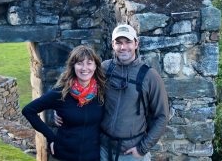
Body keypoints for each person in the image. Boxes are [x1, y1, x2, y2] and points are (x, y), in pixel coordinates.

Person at [56, 24, 169, 161]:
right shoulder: (105, 68)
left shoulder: (150, 76)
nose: (123, 47)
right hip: (103, 149)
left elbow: (162, 116)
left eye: (128, 42)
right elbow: (76, 85)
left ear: (136, 43)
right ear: (112, 45)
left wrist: (142, 149)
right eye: (118, 42)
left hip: (131, 153)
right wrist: (60, 109)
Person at [22, 45, 106, 161]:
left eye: (89, 63)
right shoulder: (61, 93)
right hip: (63, 156)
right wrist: (51, 137)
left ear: (95, 66)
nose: (84, 68)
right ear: (73, 66)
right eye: (80, 63)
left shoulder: (101, 92)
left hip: (92, 157)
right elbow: (28, 110)